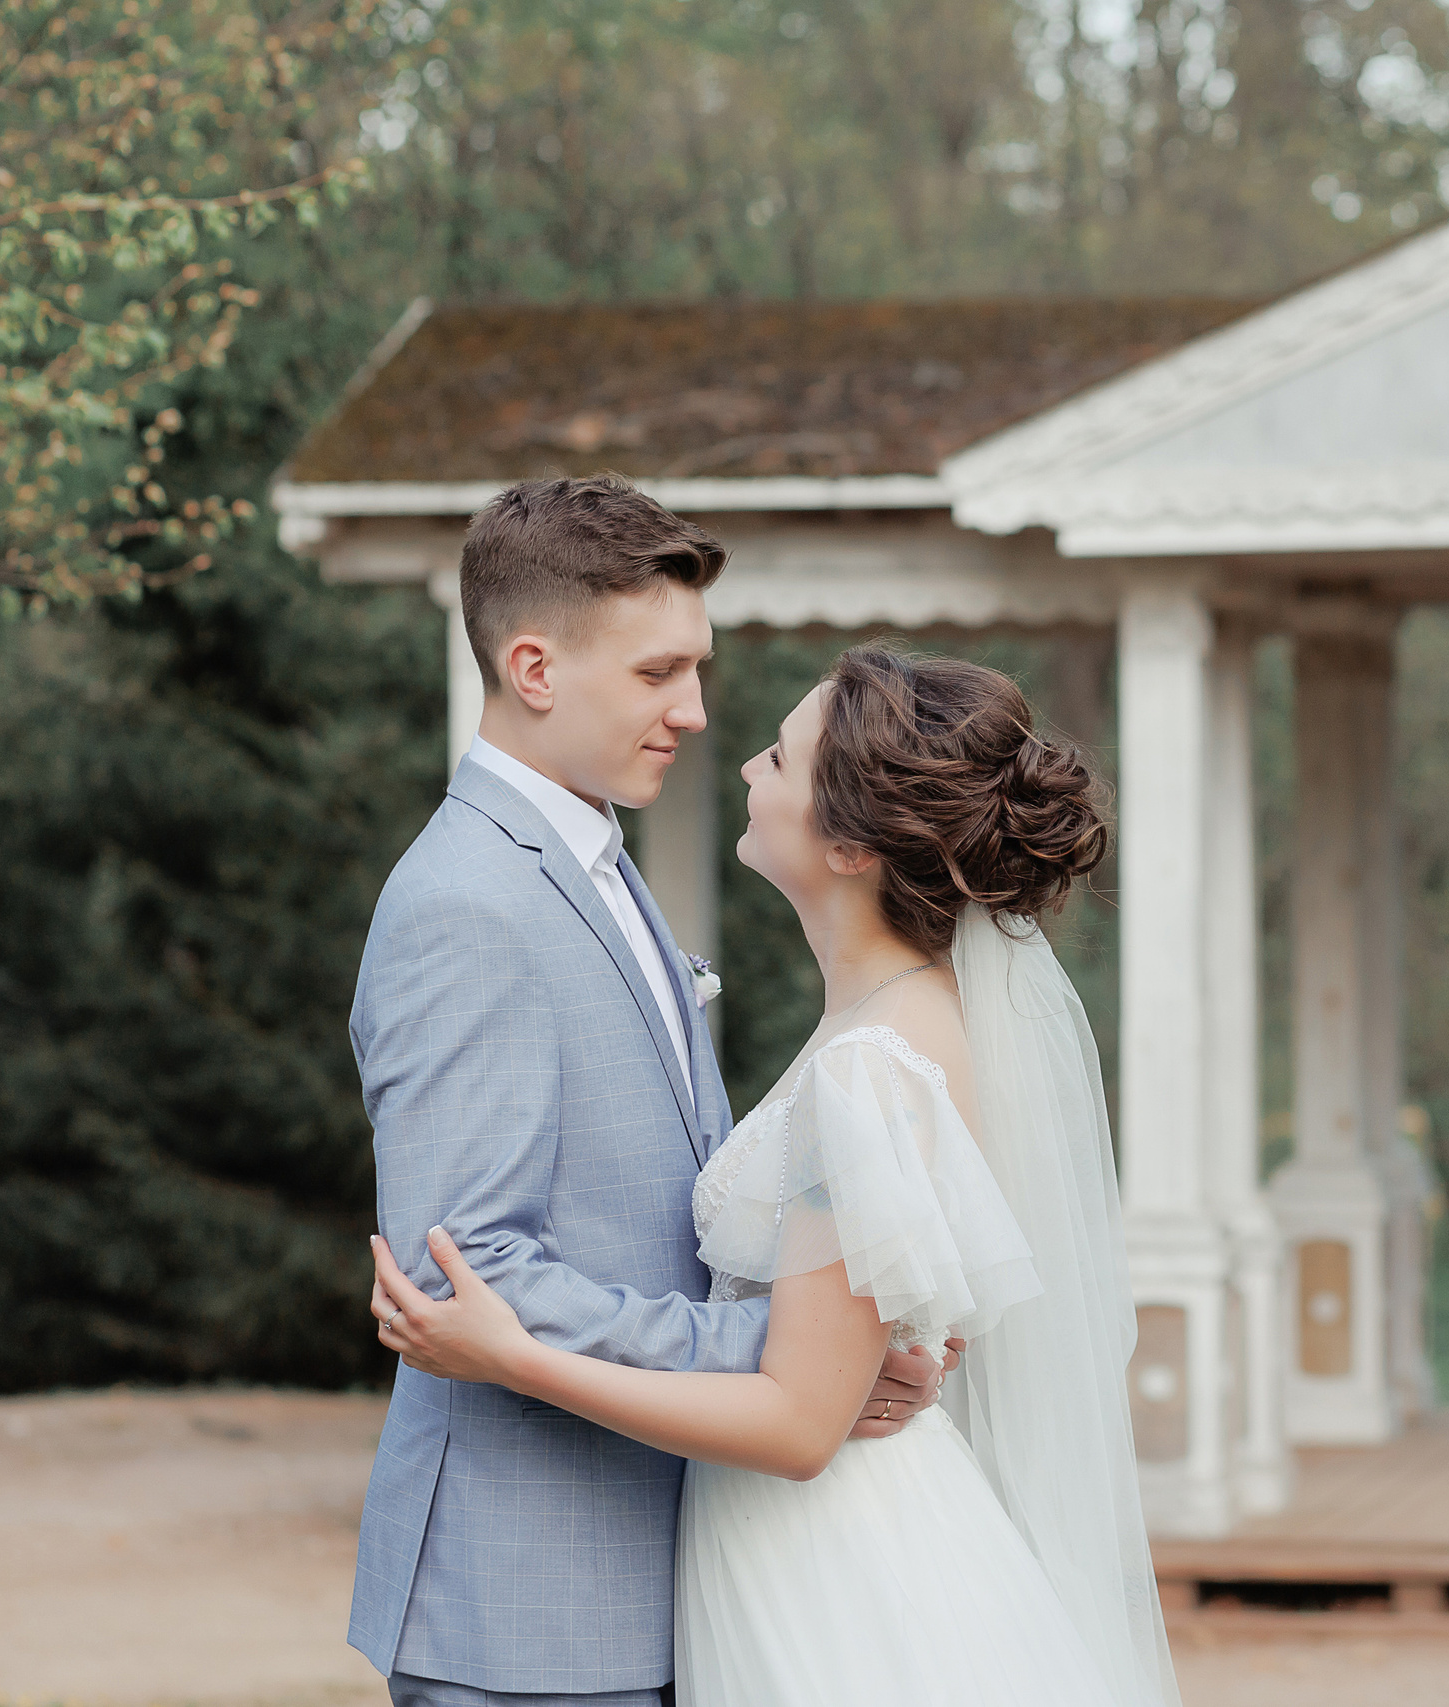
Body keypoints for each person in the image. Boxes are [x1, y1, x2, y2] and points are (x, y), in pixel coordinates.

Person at [370, 644, 1182, 1706]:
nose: (746, 763)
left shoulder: (869, 1070)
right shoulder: (909, 1025)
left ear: (848, 844)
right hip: (820, 1530)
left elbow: (800, 1425)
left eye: (780, 757)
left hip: (830, 1567)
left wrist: (513, 1356)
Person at [345, 475, 960, 1707]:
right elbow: (467, 1274)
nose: (693, 711)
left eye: (696, 669)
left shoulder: (595, 860)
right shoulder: (466, 905)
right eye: (656, 673)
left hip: (657, 1570)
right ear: (533, 668)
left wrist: (830, 1347)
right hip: (529, 1604)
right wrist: (783, 1356)